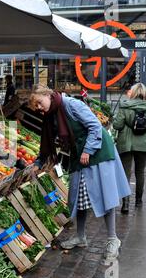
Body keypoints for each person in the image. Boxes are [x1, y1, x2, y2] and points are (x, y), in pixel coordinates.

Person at [29, 84, 130, 260]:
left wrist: (88, 150)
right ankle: (81, 236)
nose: (38, 108)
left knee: (105, 195)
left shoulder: (71, 105)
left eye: (39, 102)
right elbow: (48, 142)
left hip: (97, 151)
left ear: (48, 95)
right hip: (79, 154)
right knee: (77, 197)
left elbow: (94, 126)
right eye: (35, 106)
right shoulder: (52, 114)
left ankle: (113, 239)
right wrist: (39, 162)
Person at [113, 83, 146, 214]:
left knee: (126, 174)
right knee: (140, 173)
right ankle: (139, 201)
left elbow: (117, 125)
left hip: (126, 143)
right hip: (143, 143)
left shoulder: (124, 106)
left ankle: (125, 204)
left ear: (133, 92)